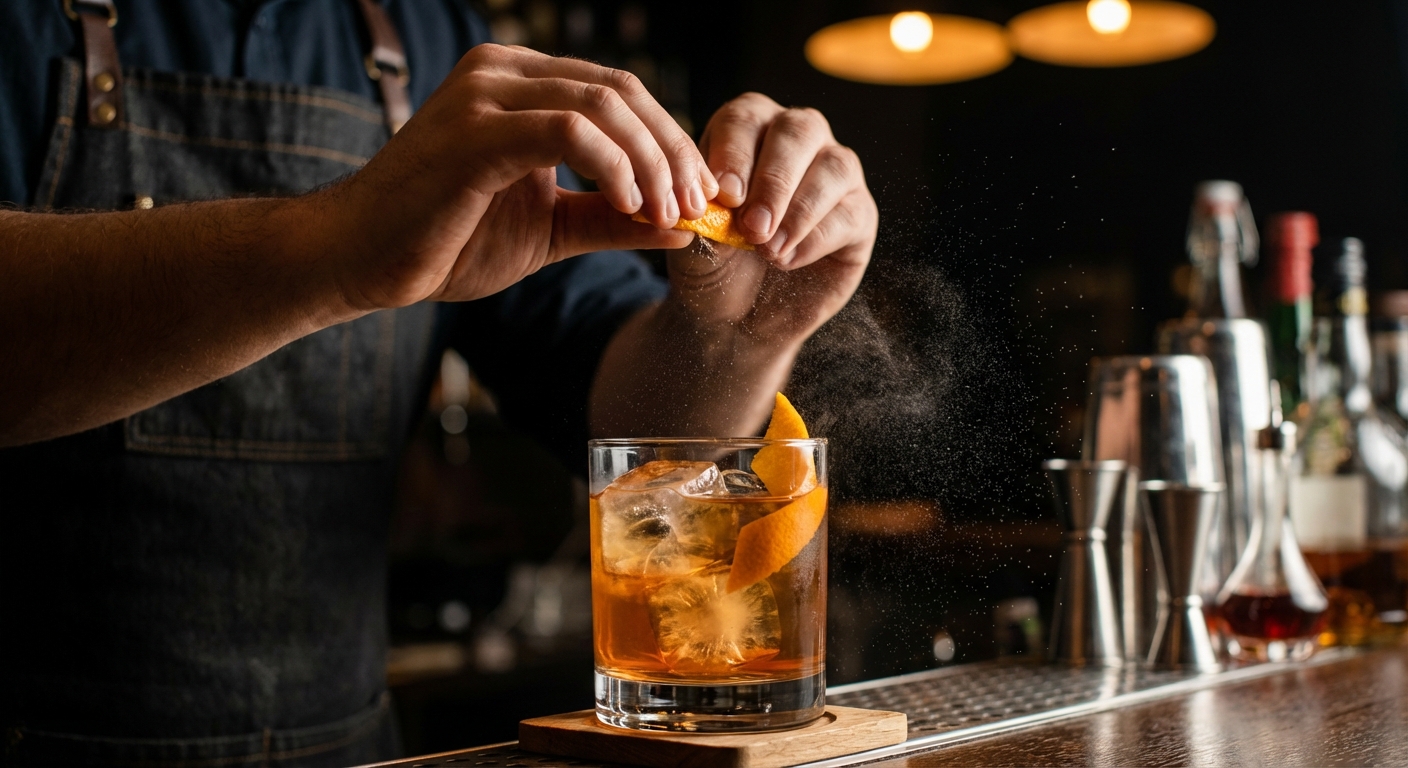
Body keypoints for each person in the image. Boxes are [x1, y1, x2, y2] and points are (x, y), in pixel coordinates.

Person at [0, 1, 876, 765]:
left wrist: (740, 331)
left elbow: (636, 431)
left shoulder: (431, 32)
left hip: (347, 749)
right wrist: (335, 246)